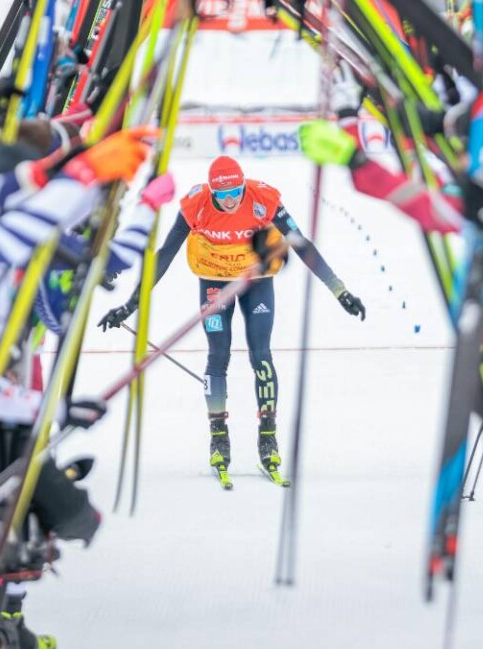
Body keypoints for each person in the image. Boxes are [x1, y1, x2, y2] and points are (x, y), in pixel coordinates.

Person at [98, 155, 365, 479]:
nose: (230, 201)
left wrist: (339, 290)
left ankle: (268, 438)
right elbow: (163, 256)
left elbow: (301, 245)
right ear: (211, 192)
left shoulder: (263, 199)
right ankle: (219, 439)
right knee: (218, 354)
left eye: (235, 192)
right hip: (214, 283)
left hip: (256, 282)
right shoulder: (196, 205)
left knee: (261, 355)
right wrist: (130, 305)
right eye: (222, 195)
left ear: (243, 186)